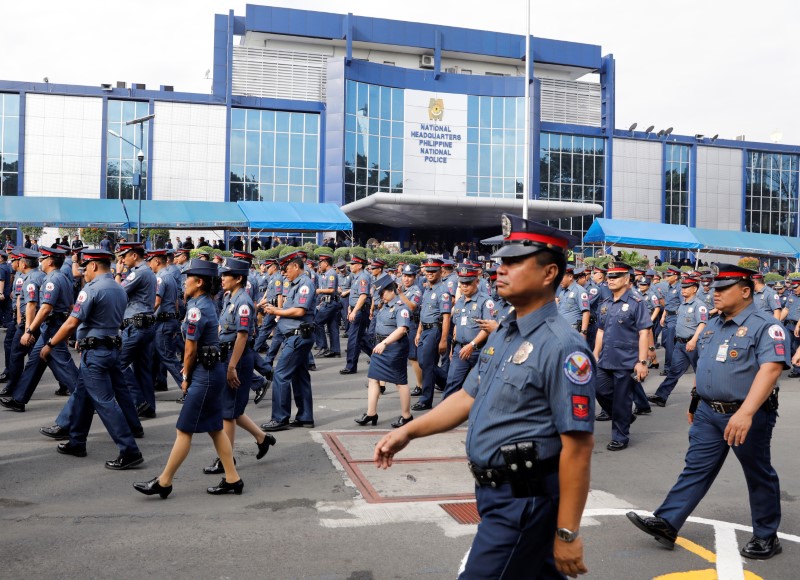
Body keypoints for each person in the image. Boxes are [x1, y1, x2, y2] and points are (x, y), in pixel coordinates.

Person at [374, 214, 595, 578]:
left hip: (523, 501)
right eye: (501, 260)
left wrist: (567, 532)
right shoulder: (505, 332)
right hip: (495, 494)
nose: (500, 269)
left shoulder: (563, 347)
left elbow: (578, 447)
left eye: (513, 261)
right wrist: (408, 431)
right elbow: (466, 397)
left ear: (549, 273)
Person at [628, 263, 786, 560]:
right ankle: (667, 522)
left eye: (723, 289)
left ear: (745, 290)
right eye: (714, 289)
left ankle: (766, 535)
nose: (715, 294)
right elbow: (706, 365)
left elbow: (771, 369)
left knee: (758, 473)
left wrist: (746, 413)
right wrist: (695, 400)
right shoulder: (713, 323)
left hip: (745, 414)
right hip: (707, 412)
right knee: (696, 467)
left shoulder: (766, 325)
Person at [134, 258, 244, 497]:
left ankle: (164, 481)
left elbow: (190, 350)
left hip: (204, 374)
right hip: (211, 371)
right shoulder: (205, 303)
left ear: (199, 281)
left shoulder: (196, 308)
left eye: (187, 280)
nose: (184, 284)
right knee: (215, 428)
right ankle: (233, 478)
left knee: (184, 430)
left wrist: (185, 376)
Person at [44, 249, 144, 469]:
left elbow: (72, 322)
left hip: (96, 354)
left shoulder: (91, 289)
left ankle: (129, 450)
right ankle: (77, 441)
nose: (83, 272)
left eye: (85, 267)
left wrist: (50, 344)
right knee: (82, 395)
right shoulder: (119, 287)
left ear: (94, 266)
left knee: (105, 402)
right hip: (111, 349)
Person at [202, 257, 276, 475]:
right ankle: (263, 438)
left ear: (238, 278)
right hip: (226, 357)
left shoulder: (242, 302)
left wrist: (231, 366)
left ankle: (226, 459)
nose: (222, 278)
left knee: (227, 413)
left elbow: (242, 337)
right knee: (231, 408)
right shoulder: (230, 297)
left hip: (238, 359)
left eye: (226, 275)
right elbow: (222, 329)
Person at [0, 247, 78, 413]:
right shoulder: (62, 277)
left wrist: (29, 330)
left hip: (52, 326)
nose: (40, 263)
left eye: (43, 259)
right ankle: (19, 399)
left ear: (50, 261)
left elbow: (44, 309)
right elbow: (71, 306)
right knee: (35, 361)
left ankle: (86, 398)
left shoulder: (52, 280)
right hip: (53, 325)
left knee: (65, 365)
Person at [592, 261, 652, 451]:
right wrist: (595, 354)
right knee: (598, 388)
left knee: (621, 400)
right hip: (606, 358)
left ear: (627, 279)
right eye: (609, 276)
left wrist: (642, 362)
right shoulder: (605, 303)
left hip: (626, 360)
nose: (611, 280)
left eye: (616, 276)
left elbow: (644, 332)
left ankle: (620, 436)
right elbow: (600, 331)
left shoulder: (636, 303)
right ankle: (625, 415)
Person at [260, 249, 317, 431]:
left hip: (298, 337)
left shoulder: (305, 284)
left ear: (295, 266)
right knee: (300, 377)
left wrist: (276, 311)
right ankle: (305, 416)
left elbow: (300, 311)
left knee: (281, 375)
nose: (284, 272)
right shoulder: (295, 284)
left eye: (286, 269)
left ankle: (280, 418)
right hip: (294, 335)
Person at [355, 274, 412, 428]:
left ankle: (407, 416)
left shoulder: (401, 307)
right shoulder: (385, 306)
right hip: (380, 346)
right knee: (373, 378)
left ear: (391, 290)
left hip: (394, 347)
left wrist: (385, 343)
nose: (381, 296)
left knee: (400, 382)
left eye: (383, 293)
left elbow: (402, 329)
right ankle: (371, 413)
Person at [647, 275, 707, 407]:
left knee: (701, 373)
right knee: (674, 371)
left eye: (687, 288)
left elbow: (702, 324)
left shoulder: (699, 305)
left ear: (695, 289)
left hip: (693, 344)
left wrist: (693, 340)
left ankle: (706, 400)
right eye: (683, 287)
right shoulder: (683, 305)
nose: (683, 290)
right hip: (680, 344)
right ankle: (661, 396)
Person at [115, 243, 158, 418]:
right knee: (142, 368)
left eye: (124, 256)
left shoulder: (139, 272)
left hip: (136, 326)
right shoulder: (145, 271)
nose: (122, 260)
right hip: (142, 325)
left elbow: (116, 291)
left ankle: (139, 402)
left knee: (119, 363)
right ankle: (148, 407)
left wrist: (118, 273)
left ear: (134, 255)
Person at [441, 265, 494, 400]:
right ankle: (447, 418)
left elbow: (487, 328)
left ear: (476, 281)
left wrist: (471, 345)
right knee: (452, 385)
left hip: (479, 350)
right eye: (462, 283)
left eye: (468, 283)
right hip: (461, 349)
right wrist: (454, 346)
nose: (464, 286)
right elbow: (457, 326)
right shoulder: (459, 302)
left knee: (482, 389)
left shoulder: (485, 301)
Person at [411, 257, 452, 410]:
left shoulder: (443, 291)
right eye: (427, 271)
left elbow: (446, 317)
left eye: (433, 271)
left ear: (441, 272)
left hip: (435, 330)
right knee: (423, 363)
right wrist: (419, 332)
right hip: (424, 330)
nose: (430, 273)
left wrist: (443, 341)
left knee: (427, 364)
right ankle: (449, 383)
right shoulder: (427, 289)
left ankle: (426, 400)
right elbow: (423, 313)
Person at [339, 253, 371, 375]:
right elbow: (355, 294)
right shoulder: (356, 276)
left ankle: (351, 366)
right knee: (361, 338)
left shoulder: (363, 277)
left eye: (353, 264)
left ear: (359, 265)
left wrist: (355, 311)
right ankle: (377, 357)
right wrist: (349, 309)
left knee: (353, 339)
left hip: (360, 311)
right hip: (356, 309)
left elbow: (363, 296)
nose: (350, 266)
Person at [313, 250, 342, 358]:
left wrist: (319, 291)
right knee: (332, 326)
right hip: (329, 302)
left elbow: (331, 290)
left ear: (326, 263)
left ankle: (323, 347)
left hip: (329, 302)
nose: (320, 264)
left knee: (317, 322)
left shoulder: (331, 274)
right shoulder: (326, 273)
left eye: (321, 262)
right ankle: (335, 350)